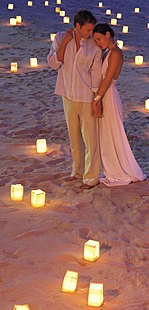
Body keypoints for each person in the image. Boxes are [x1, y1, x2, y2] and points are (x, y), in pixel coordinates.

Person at [47, 10, 102, 189]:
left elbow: (95, 73)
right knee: (74, 138)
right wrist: (65, 43)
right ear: (77, 26)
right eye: (87, 30)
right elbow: (54, 63)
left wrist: (96, 99)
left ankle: (91, 177)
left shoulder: (94, 44)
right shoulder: (60, 37)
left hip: (86, 97)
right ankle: (77, 172)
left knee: (90, 139)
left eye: (92, 30)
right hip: (67, 95)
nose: (90, 34)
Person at [92, 23, 146, 186]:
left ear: (108, 34)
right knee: (106, 136)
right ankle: (111, 168)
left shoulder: (115, 53)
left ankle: (120, 170)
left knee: (113, 134)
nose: (98, 43)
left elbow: (108, 79)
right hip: (104, 94)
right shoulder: (106, 52)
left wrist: (97, 99)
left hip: (109, 96)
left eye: (99, 39)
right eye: (95, 40)